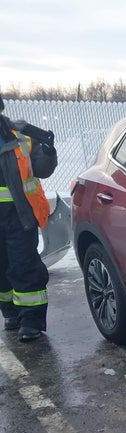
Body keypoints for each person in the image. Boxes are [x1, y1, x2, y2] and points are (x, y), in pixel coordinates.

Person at [0, 94, 58, 342]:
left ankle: (31, 320)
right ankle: (11, 313)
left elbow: (42, 170)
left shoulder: (20, 135)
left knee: (24, 265)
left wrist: (48, 150)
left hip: (19, 214)